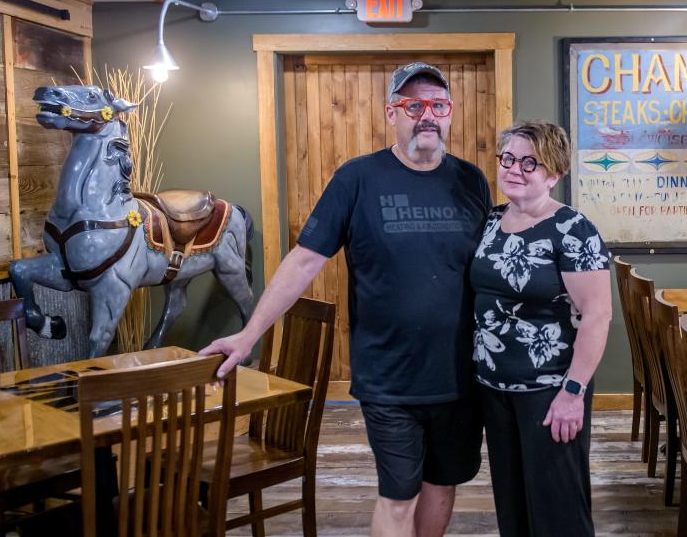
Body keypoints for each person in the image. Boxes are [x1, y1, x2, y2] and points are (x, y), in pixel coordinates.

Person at [201, 62, 491, 537]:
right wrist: (249, 334)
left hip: (461, 376)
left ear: (450, 113)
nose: (427, 116)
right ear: (390, 113)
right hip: (389, 378)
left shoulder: (470, 181)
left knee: (442, 485)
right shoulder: (358, 178)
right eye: (413, 105)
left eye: (439, 105)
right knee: (399, 494)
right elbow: (303, 262)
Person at [470, 120, 612, 536]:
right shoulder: (492, 221)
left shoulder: (574, 231)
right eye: (508, 158)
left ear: (554, 173)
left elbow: (597, 315)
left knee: (558, 510)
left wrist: (573, 392)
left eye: (530, 162)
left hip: (550, 393)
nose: (514, 168)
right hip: (493, 388)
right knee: (512, 506)